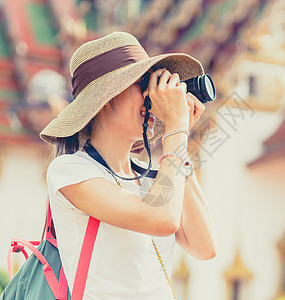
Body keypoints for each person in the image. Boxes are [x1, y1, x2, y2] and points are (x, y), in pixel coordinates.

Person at [40, 32, 218, 299]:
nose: (152, 95)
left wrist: (181, 135)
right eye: (142, 82)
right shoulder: (70, 171)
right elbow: (161, 219)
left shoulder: (151, 178)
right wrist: (176, 129)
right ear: (104, 98)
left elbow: (205, 247)